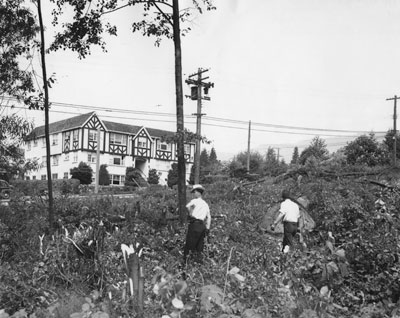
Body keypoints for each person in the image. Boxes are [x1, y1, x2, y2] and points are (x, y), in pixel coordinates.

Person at [183, 184, 211, 265]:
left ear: (198, 192)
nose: (194, 194)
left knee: (189, 245)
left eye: (194, 192)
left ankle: (186, 264)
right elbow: (209, 217)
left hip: (194, 224)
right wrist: (207, 228)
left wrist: (191, 214)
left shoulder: (194, 201)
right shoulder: (205, 204)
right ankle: (198, 264)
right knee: (199, 246)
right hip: (202, 226)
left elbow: (187, 207)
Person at [271, 189, 301, 253]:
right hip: (295, 225)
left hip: (288, 225)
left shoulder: (284, 204)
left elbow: (282, 214)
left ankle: (293, 256)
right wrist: (298, 227)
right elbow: (298, 217)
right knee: (286, 240)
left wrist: (275, 223)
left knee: (289, 243)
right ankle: (283, 253)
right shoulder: (295, 205)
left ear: (283, 197)